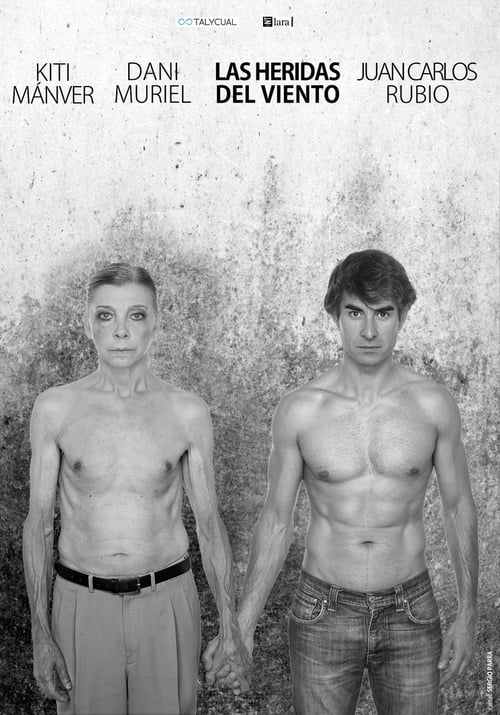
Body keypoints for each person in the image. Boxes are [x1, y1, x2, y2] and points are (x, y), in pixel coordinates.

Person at [223, 249, 478, 714]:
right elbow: (276, 519)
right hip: (322, 610)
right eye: (355, 313)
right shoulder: (300, 410)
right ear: (334, 316)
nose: (369, 331)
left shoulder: (433, 405)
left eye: (383, 313)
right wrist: (243, 623)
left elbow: (458, 506)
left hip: (410, 609)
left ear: (403, 316)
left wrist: (468, 611)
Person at [23, 262, 249, 715]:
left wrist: (230, 629)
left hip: (166, 601)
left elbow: (209, 526)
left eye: (137, 315)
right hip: (81, 603)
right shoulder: (55, 408)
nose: (121, 331)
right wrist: (40, 634)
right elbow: (39, 526)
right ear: (88, 323)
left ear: (156, 322)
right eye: (106, 315)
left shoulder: (187, 412)